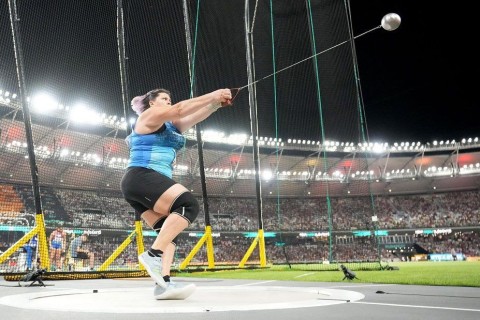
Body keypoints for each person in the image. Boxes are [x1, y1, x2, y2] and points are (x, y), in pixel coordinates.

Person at [121, 87, 232, 299]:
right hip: (142, 175)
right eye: (164, 99)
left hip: (139, 184)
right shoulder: (149, 115)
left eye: (170, 99)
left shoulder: (170, 126)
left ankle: (163, 284)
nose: (169, 102)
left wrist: (216, 104)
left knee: (167, 233)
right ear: (152, 103)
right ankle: (153, 255)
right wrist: (213, 94)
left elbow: (193, 115)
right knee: (188, 205)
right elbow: (182, 109)